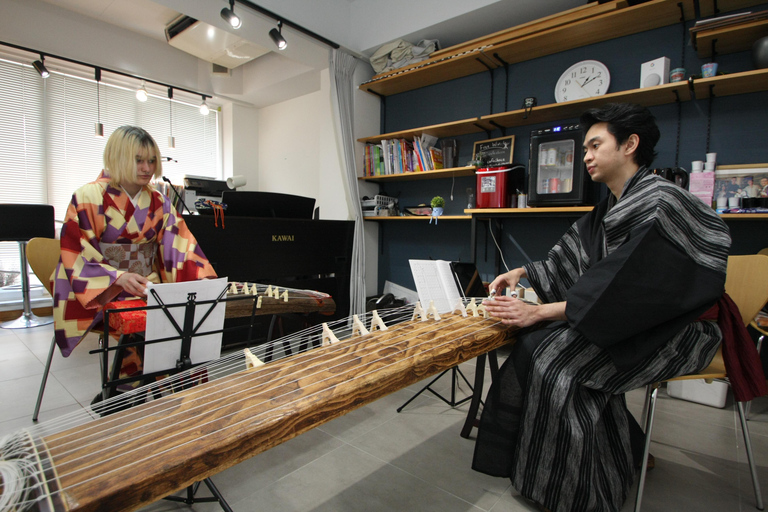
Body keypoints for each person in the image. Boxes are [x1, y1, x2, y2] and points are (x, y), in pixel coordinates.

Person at [472, 103, 764, 512]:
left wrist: (539, 311)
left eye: (595, 145)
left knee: (557, 361)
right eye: (585, 147)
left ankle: (580, 494)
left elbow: (626, 290)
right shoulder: (610, 206)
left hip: (680, 331)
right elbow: (569, 261)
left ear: (630, 144)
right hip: (632, 323)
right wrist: (525, 272)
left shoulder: (662, 201)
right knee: (535, 343)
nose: (586, 155)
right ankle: (621, 455)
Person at [52, 126, 217, 378]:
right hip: (105, 288)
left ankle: (175, 389)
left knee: (185, 313)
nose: (147, 168)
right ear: (117, 157)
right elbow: (76, 251)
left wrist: (204, 281)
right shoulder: (87, 196)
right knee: (154, 322)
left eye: (151, 161)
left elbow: (181, 246)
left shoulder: (159, 201)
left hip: (146, 285)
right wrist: (118, 278)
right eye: (138, 160)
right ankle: (131, 390)